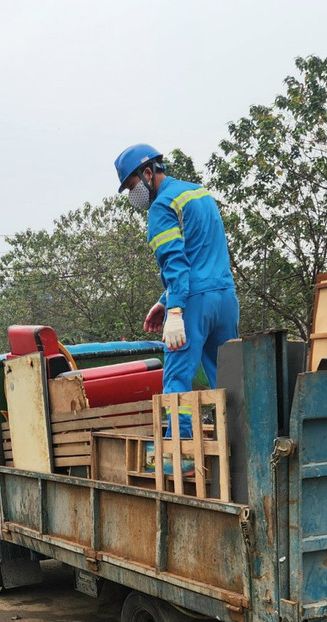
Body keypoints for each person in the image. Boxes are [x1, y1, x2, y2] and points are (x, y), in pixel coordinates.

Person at [114, 143, 239, 436]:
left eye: (132, 186)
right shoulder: (199, 193)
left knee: (177, 380)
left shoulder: (161, 207)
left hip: (193, 302)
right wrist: (163, 300)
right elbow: (202, 252)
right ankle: (235, 449)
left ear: (147, 173)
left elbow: (176, 262)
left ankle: (179, 457)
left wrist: (175, 310)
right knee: (229, 379)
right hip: (225, 298)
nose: (133, 196)